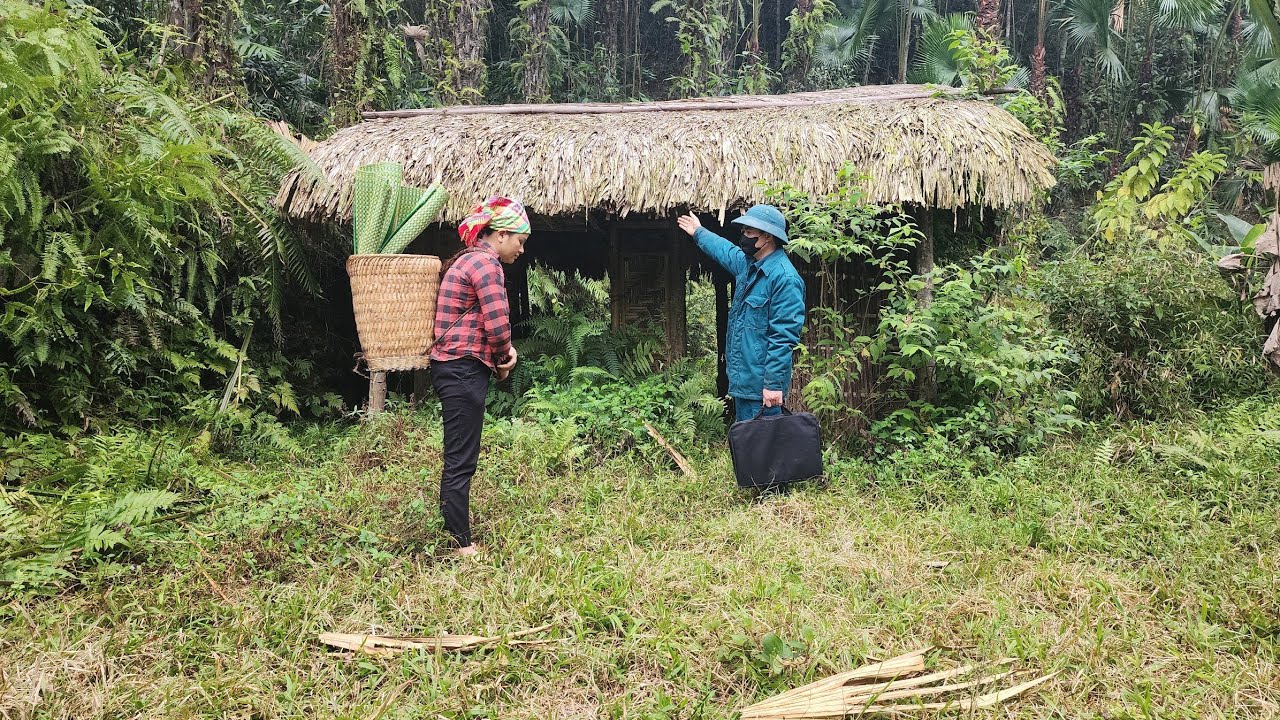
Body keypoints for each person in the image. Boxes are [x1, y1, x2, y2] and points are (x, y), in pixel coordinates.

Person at [430, 197, 529, 556]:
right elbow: (498, 324)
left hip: (455, 367)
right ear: (501, 234)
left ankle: (456, 535)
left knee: (460, 454)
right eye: (520, 240)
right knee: (461, 458)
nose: (521, 249)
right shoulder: (487, 266)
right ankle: (458, 544)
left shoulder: (468, 259)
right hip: (462, 368)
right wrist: (505, 357)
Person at [677, 205, 805, 423]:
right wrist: (699, 232)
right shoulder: (749, 265)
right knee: (747, 452)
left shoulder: (784, 279)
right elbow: (725, 250)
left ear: (767, 237)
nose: (743, 237)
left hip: (763, 390)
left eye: (748, 232)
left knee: (762, 452)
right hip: (744, 384)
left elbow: (783, 337)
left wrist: (773, 385)